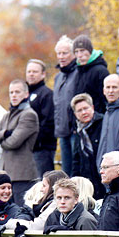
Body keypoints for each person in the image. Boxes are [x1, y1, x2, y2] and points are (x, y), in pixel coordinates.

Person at [0, 79, 39, 206]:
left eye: (17, 92)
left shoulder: (29, 115)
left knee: (21, 213)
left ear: (26, 94)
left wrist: (1, 141)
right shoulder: (7, 115)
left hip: (22, 176)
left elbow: (13, 143)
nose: (14, 95)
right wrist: (5, 133)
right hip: (6, 175)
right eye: (11, 92)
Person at [25, 59, 57, 176]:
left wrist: (33, 141)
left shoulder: (47, 94)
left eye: (35, 71)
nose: (31, 74)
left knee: (43, 184)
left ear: (43, 74)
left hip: (42, 149)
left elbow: (48, 123)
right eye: (29, 72)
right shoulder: (23, 95)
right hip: (26, 151)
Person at [53, 35, 79, 176]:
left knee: (76, 171)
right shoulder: (58, 77)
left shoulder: (79, 73)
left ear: (73, 54)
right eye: (59, 53)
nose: (61, 57)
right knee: (66, 173)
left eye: (65, 53)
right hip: (62, 132)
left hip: (76, 131)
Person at [71, 93, 105, 199]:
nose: (84, 112)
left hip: (103, 177)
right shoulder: (78, 131)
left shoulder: (103, 123)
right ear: (75, 114)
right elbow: (76, 159)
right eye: (79, 110)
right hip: (87, 181)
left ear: (92, 107)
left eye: (86, 108)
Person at [72, 35, 108, 114]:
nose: (79, 55)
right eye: (76, 52)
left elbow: (106, 100)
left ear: (90, 51)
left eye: (82, 50)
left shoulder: (100, 71)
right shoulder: (78, 71)